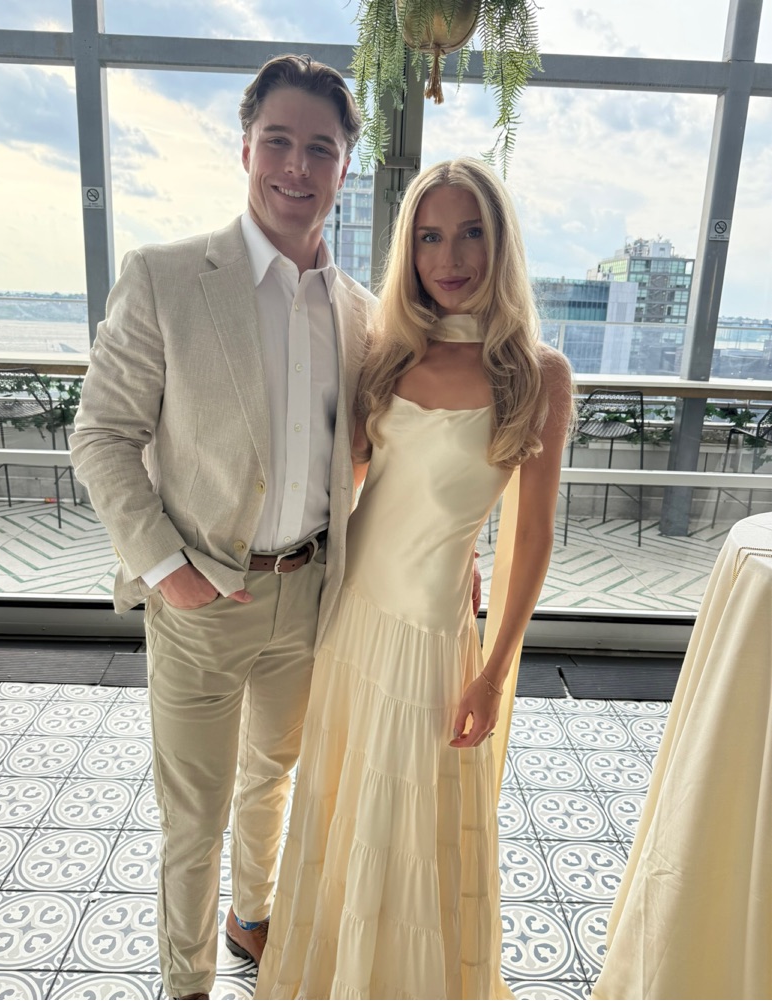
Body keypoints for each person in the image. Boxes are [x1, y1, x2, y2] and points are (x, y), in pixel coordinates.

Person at [70, 55, 377, 1001]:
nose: (296, 165)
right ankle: (187, 982)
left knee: (271, 778)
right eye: (277, 140)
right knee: (192, 815)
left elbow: (371, 456)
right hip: (202, 594)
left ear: (344, 165)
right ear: (245, 149)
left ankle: (254, 914)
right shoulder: (166, 277)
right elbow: (101, 435)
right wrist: (167, 569)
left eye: (319, 148)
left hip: (310, 594)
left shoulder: (362, 314)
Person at [254, 157, 573, 1000]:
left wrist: (493, 671)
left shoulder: (537, 373)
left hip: (430, 635)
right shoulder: (388, 351)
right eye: (429, 237)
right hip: (352, 613)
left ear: (499, 243)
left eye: (470, 233)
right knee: (342, 805)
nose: (449, 257)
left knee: (406, 822)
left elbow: (531, 535)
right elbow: (352, 480)